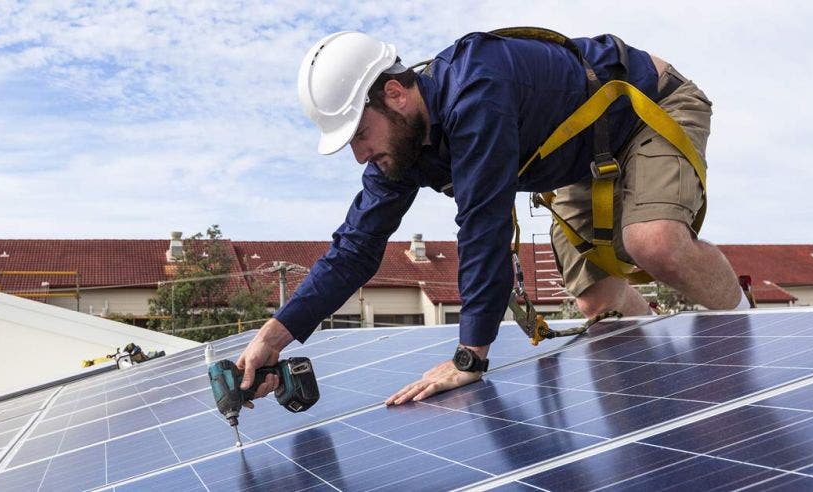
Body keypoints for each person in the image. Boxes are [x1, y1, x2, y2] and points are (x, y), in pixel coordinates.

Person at [236, 29, 748, 407]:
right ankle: (660, 407)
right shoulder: (401, 146)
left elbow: (483, 227)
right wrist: (272, 338)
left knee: (652, 241)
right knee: (598, 301)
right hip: (580, 158)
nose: (359, 155)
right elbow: (354, 251)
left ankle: (756, 350)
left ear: (395, 94)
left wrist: (470, 355)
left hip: (646, 109)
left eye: (360, 134)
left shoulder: (477, 88)